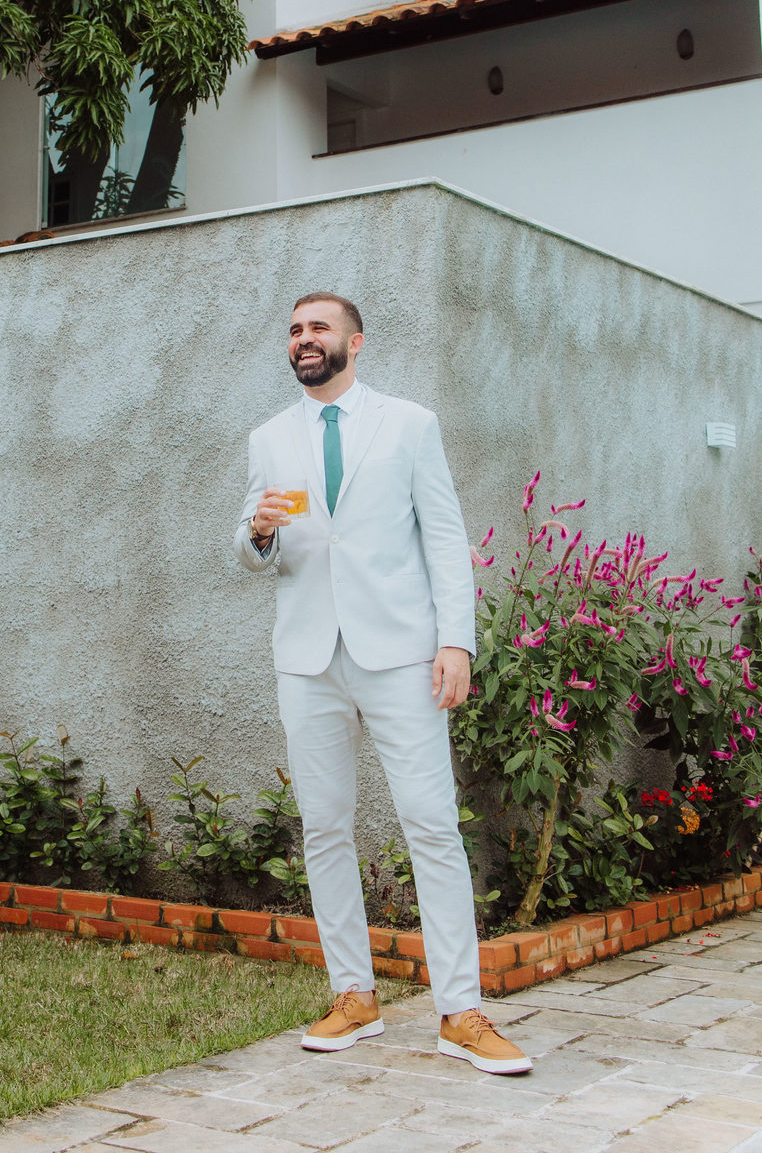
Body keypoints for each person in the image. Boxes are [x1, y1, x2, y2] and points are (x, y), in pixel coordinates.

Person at [234, 292, 531, 1075]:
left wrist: (455, 642)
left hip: (400, 654)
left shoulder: (409, 424)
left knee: (430, 824)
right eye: (294, 330)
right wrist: (257, 533)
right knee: (324, 826)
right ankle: (353, 997)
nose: (303, 339)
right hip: (308, 658)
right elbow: (253, 546)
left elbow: (444, 536)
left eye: (318, 328)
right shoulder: (268, 438)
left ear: (354, 342)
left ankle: (460, 1012)